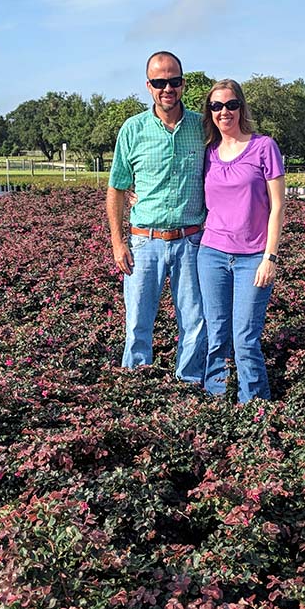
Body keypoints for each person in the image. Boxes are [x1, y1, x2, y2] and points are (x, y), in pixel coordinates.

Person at [106, 51, 207, 383]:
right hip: (144, 241)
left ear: (183, 83)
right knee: (137, 321)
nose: (168, 88)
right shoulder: (132, 129)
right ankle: (137, 386)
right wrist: (118, 243)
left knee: (194, 320)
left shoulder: (202, 127)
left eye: (174, 81)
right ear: (148, 86)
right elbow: (117, 188)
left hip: (191, 240)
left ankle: (190, 384)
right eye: (160, 82)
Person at [197, 79, 285, 403]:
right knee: (217, 335)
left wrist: (270, 258)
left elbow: (277, 207)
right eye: (217, 106)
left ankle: (255, 411)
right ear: (210, 112)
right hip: (212, 256)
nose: (224, 111)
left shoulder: (264, 147)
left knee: (245, 338)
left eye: (231, 104)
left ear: (241, 107)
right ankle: (216, 404)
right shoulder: (208, 153)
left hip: (253, 258)